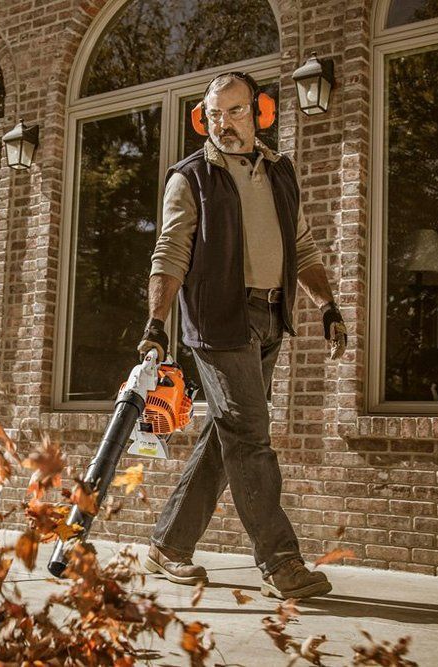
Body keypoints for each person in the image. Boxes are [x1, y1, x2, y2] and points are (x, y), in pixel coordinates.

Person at [137, 72, 347, 600]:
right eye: (214, 115)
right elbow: (170, 253)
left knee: (226, 436)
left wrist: (327, 305)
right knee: (251, 437)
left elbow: (302, 245)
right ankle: (281, 562)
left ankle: (167, 546)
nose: (224, 124)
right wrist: (156, 324)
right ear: (202, 120)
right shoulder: (190, 178)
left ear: (259, 113)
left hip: (270, 318)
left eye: (235, 112)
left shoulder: (281, 172)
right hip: (218, 323)